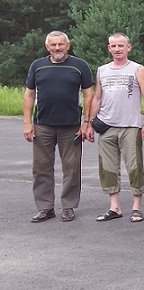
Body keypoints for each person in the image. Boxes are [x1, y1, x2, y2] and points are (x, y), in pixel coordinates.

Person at [23, 31, 94, 223]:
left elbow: (89, 94)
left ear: (67, 46)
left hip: (71, 126)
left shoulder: (80, 65)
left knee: (71, 168)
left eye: (61, 44)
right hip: (42, 125)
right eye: (53, 45)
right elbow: (29, 94)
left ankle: (68, 207)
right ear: (47, 47)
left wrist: (86, 122)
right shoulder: (37, 66)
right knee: (41, 168)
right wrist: (27, 122)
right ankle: (45, 207)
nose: (57, 48)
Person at [87, 33, 144, 223]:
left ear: (128, 47)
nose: (117, 49)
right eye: (113, 46)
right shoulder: (102, 70)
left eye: (121, 46)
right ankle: (114, 207)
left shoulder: (137, 69)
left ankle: (136, 207)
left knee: (134, 166)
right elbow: (97, 98)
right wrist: (89, 123)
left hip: (130, 126)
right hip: (106, 125)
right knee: (108, 168)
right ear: (109, 48)